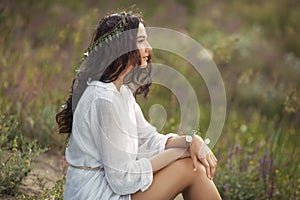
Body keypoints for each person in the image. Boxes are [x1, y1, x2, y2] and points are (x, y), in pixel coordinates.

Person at [56, 10, 221, 200]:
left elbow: (148, 140)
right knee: (190, 168)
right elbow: (122, 179)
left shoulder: (121, 93)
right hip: (95, 193)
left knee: (192, 166)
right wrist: (179, 154)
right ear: (121, 47)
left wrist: (191, 141)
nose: (149, 47)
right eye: (141, 40)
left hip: (109, 187)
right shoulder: (103, 99)